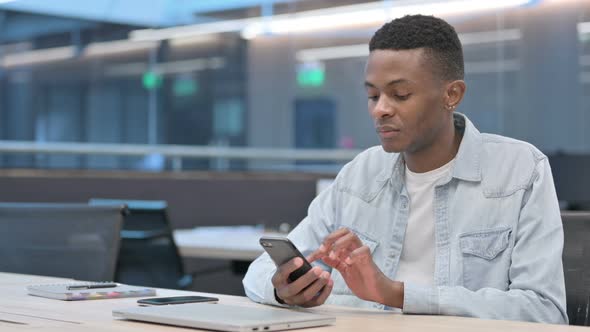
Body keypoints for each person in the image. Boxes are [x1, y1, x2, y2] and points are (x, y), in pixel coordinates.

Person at [243, 14, 568, 324]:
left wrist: (396, 293)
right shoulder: (361, 174)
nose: (380, 109)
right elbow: (258, 274)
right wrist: (284, 291)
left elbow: (544, 311)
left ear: (451, 95)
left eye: (400, 94)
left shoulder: (520, 170)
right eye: (373, 95)